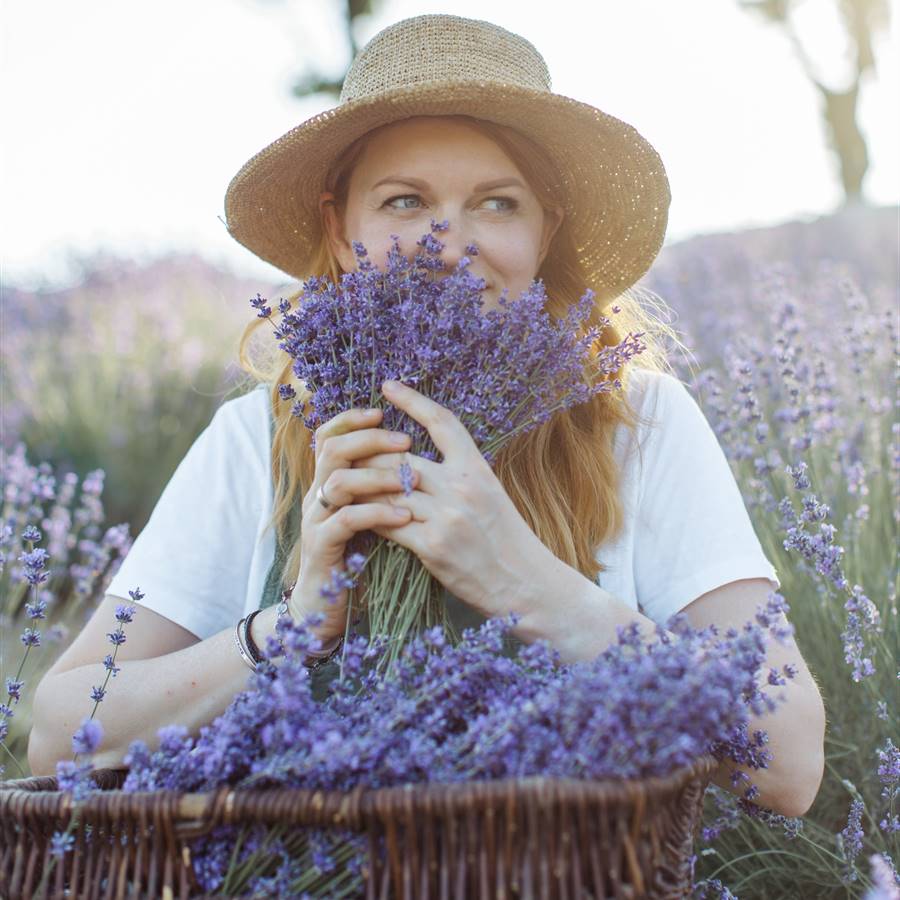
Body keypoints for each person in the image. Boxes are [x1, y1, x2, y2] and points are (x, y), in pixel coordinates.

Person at [28, 13, 825, 818]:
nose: (450, 243)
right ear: (341, 230)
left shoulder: (638, 423)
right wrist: (288, 627)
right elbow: (59, 731)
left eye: (497, 203)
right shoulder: (256, 440)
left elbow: (788, 763)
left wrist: (528, 584)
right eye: (406, 201)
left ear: (545, 230)